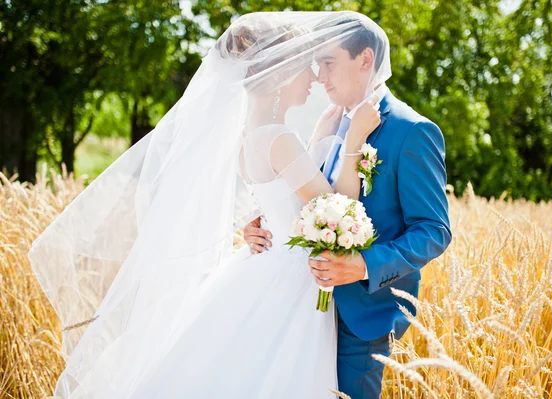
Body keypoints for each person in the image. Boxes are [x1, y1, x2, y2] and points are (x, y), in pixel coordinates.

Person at [28, 11, 392, 398]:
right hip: (290, 281)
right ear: (282, 73)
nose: (315, 78)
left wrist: (318, 137)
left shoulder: (250, 135)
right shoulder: (281, 139)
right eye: (305, 67)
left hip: (262, 266)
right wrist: (353, 141)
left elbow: (279, 199)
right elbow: (339, 209)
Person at [243, 13, 452, 399]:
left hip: (360, 316)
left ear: (365, 60)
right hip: (297, 307)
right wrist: (260, 226)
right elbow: (305, 202)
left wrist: (364, 264)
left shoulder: (412, 131)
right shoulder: (327, 123)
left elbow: (434, 231)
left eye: (328, 62)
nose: (319, 75)